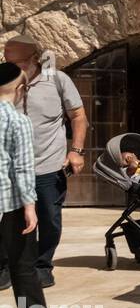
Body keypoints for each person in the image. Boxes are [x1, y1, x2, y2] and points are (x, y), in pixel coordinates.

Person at [1, 34, 87, 290]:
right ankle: (4, 267)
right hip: (9, 168)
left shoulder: (58, 80)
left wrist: (76, 151)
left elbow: (78, 116)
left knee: (49, 218)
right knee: (7, 220)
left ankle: (42, 266)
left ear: (35, 59)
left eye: (17, 64)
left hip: (48, 166)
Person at [0, 61, 68, 308]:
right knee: (23, 263)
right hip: (11, 203)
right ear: (20, 89)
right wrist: (30, 206)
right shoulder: (18, 121)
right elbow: (23, 168)